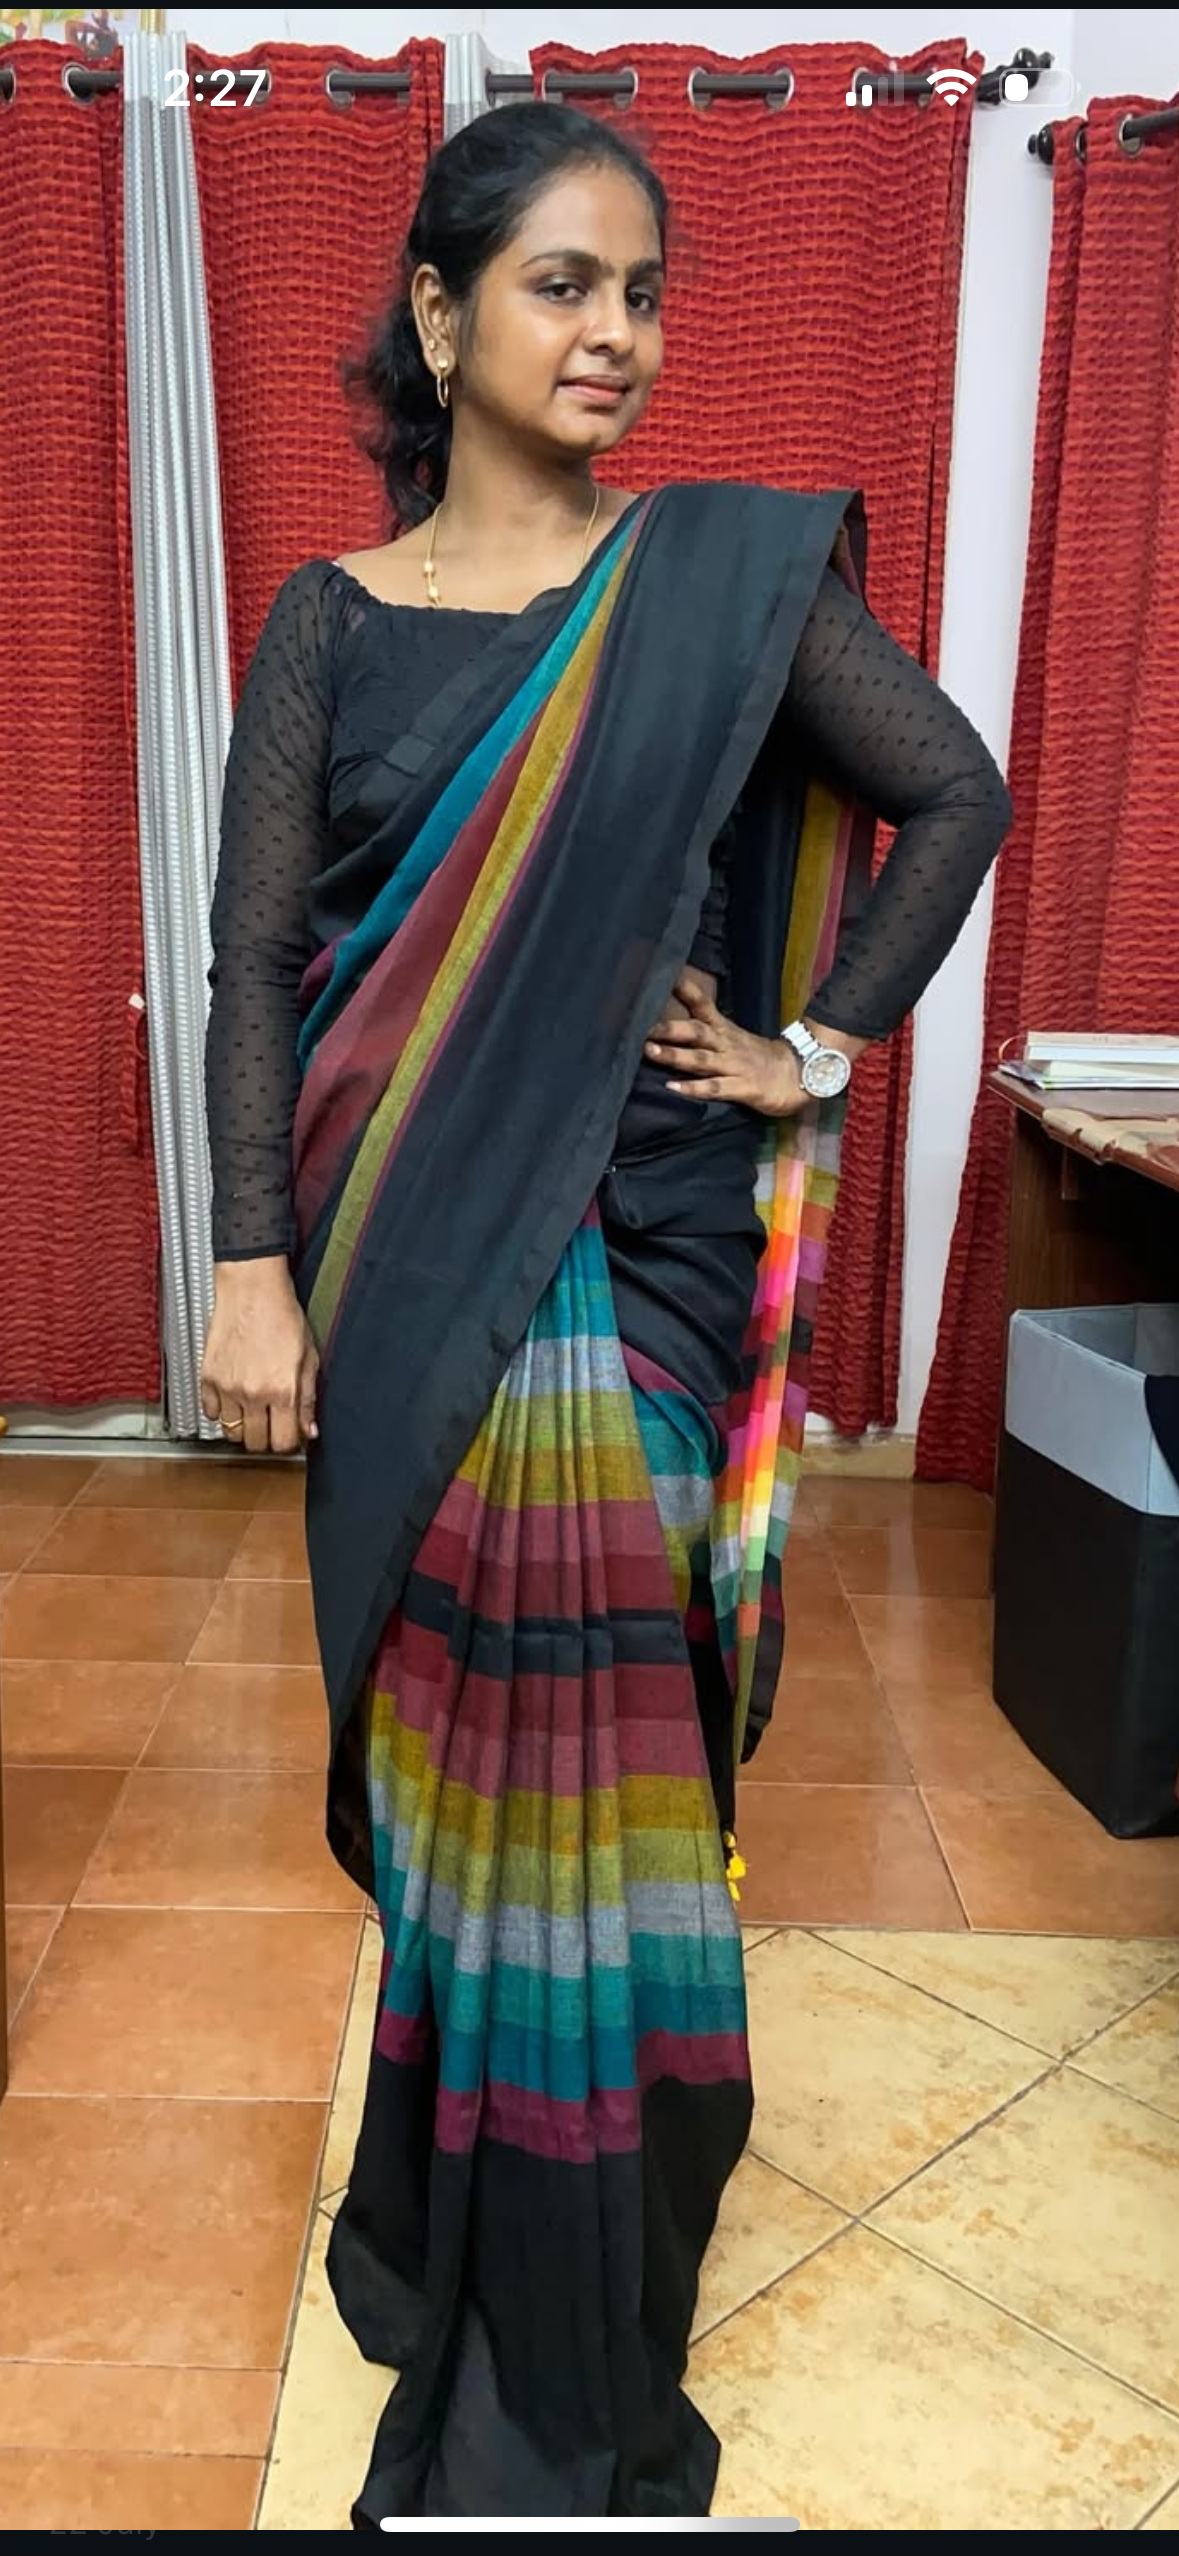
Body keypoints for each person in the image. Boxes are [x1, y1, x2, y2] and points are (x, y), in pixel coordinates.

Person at [201, 101, 1011, 2524]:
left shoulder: (718, 587)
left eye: (642, 292)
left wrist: (809, 1049)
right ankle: (452, 2198)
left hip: (637, 1275)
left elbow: (954, 793)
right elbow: (256, 965)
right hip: (397, 1277)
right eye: (563, 284)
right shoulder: (331, 621)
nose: (616, 334)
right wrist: (244, 1267)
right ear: (439, 312)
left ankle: (563, 2303)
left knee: (607, 1769)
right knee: (458, 1779)